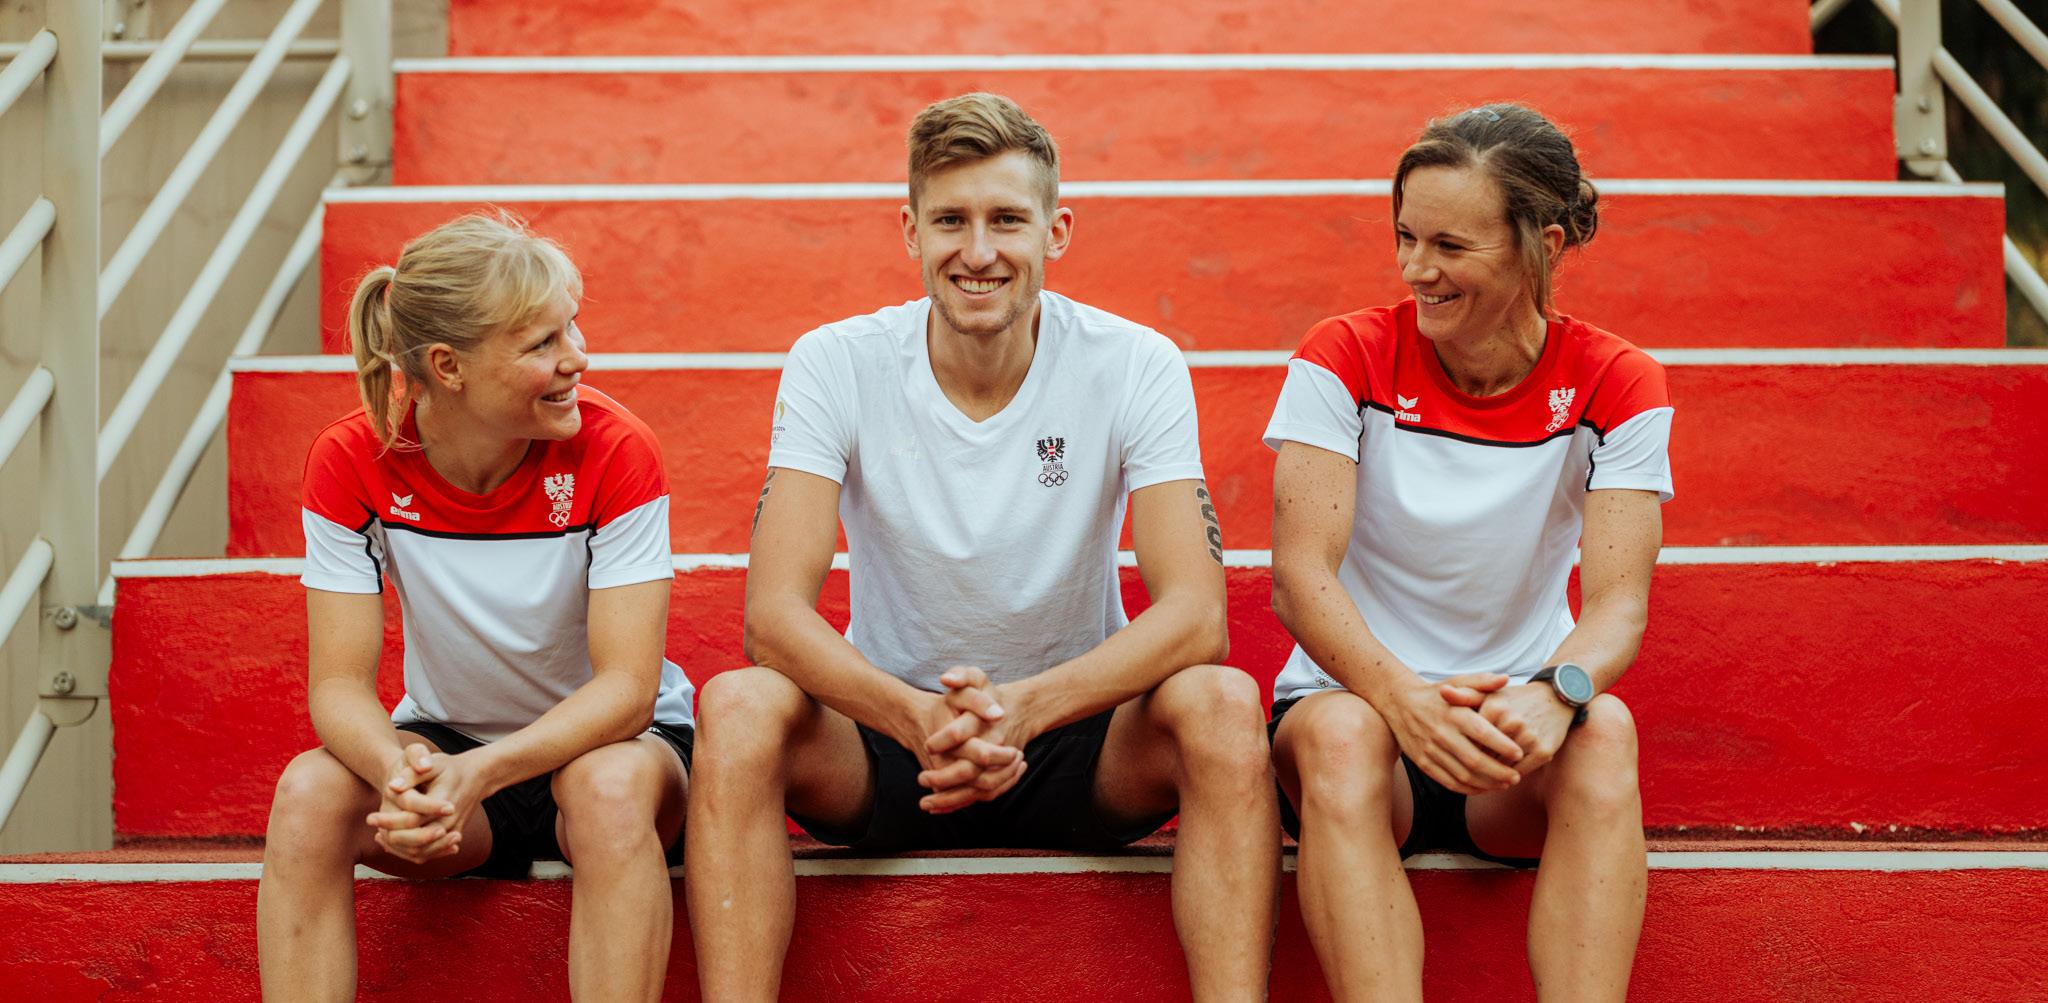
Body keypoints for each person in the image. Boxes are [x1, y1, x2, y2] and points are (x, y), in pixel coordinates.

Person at [684, 92, 1278, 1001]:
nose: (978, 250)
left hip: (1077, 734)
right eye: (950, 221)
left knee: (1224, 704)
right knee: (736, 706)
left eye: (1007, 220)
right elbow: (772, 618)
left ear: (1055, 231)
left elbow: (1198, 618)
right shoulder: (835, 361)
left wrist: (1024, 711)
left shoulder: (1134, 361)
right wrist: (916, 716)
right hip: (889, 735)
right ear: (910, 231)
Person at [1265, 103, 1671, 1002]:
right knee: (1340, 735)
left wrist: (1555, 693)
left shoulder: (1618, 380)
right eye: (1406, 237)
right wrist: (1402, 698)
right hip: (1359, 710)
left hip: (1508, 733)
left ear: (1541, 246)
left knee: (1605, 729)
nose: (1418, 268)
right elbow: (1298, 577)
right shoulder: (1345, 354)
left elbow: (1618, 604)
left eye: (1450, 245)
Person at [256, 212, 695, 1002]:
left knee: (606, 791)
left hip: (613, 745)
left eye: (572, 326)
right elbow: (338, 686)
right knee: (308, 794)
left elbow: (628, 689)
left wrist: (479, 772)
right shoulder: (351, 459)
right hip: (451, 749)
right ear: (447, 366)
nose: (578, 357)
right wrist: (399, 772)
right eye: (542, 343)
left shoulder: (616, 449)